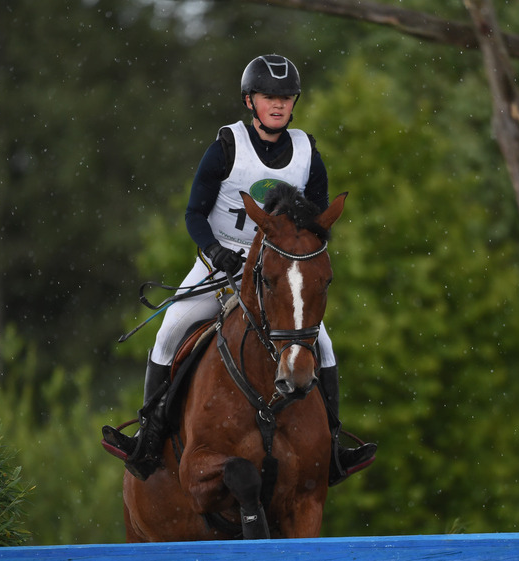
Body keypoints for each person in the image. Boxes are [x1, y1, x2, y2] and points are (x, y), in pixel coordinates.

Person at [104, 54, 375, 485]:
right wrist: (215, 249)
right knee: (170, 330)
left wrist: (299, 254)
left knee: (321, 343)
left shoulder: (307, 153)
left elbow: (317, 219)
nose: (279, 105)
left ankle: (334, 446)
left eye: (286, 98)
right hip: (221, 263)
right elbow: (194, 212)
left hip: (277, 269)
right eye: (270, 97)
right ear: (250, 101)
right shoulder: (227, 147)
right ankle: (150, 434)